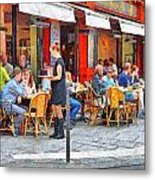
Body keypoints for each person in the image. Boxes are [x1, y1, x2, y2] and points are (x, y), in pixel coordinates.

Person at [1, 67, 27, 137]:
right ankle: (13, 124)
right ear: (17, 75)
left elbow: (21, 93)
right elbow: (23, 94)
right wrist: (24, 83)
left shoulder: (14, 83)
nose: (21, 77)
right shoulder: (13, 84)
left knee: (26, 108)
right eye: (21, 75)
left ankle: (16, 126)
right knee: (24, 112)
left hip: (9, 104)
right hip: (8, 105)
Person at [49, 42, 66, 139]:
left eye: (51, 51)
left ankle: (61, 132)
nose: (51, 53)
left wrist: (50, 78)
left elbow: (59, 76)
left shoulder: (59, 62)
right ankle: (56, 131)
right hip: (56, 88)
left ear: (55, 50)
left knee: (58, 110)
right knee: (54, 109)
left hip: (59, 89)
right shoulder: (57, 61)